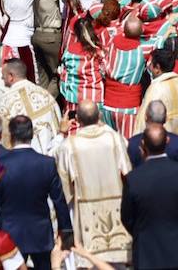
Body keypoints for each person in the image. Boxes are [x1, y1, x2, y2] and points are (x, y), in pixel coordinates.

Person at [0, 117, 71, 269]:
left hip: (9, 236)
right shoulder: (47, 164)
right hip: (41, 234)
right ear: (31, 134)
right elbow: (59, 201)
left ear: (10, 135)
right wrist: (65, 231)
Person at [55, 101, 131, 267]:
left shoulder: (69, 145)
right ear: (99, 117)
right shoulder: (113, 138)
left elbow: (64, 186)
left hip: (85, 209)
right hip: (116, 204)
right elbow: (128, 172)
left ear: (78, 121)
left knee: (90, 260)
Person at [120, 125, 178, 270]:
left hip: (147, 254)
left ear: (142, 144)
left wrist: (142, 232)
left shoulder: (133, 179)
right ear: (167, 141)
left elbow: (127, 218)